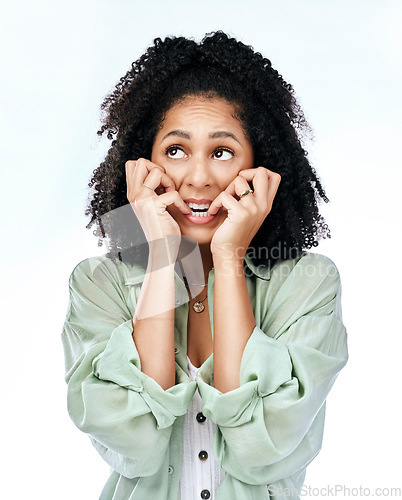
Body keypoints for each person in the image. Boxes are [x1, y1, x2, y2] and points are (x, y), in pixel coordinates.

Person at [61, 31, 348, 500]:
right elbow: (134, 440)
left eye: (221, 152)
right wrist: (158, 252)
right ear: (142, 164)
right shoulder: (98, 285)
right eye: (175, 151)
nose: (197, 178)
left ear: (260, 165)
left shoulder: (308, 283)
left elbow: (261, 448)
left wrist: (230, 257)